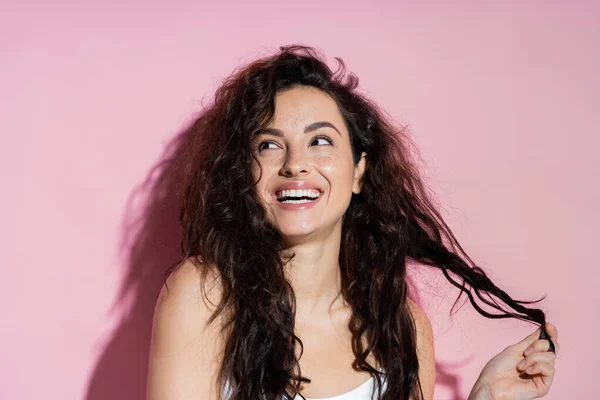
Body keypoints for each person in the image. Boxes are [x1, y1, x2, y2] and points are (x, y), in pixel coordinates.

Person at [146, 45, 559, 400]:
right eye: (269, 145)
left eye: (320, 140)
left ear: (359, 170)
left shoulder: (403, 327)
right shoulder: (205, 296)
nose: (295, 164)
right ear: (243, 173)